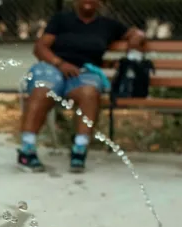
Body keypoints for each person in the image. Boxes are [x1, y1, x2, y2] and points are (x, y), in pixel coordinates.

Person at [17, 0, 145, 173]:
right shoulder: (61, 20)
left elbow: (134, 34)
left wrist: (136, 41)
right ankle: (27, 149)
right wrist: (60, 63)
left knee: (90, 93)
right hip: (53, 66)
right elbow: (40, 47)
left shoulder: (108, 25)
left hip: (83, 71)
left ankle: (79, 149)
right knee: (44, 88)